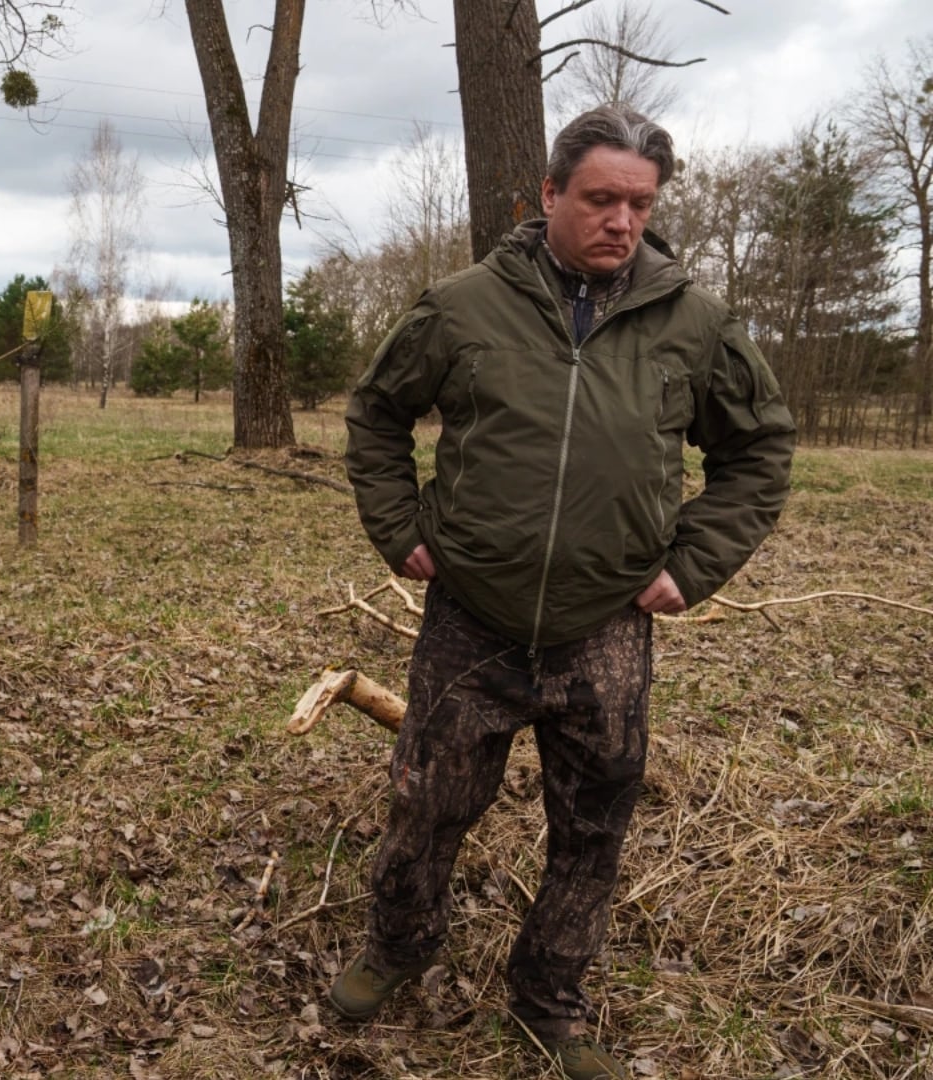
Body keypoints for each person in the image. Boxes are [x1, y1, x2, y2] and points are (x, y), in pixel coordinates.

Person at [333, 103, 795, 1080]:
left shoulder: (693, 323)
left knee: (594, 823)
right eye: (598, 199)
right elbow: (378, 415)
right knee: (428, 807)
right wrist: (402, 532)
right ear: (548, 195)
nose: (620, 220)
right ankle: (397, 950)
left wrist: (693, 562)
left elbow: (758, 451)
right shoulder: (462, 307)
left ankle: (550, 998)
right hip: (472, 616)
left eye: (639, 203)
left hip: (607, 626)